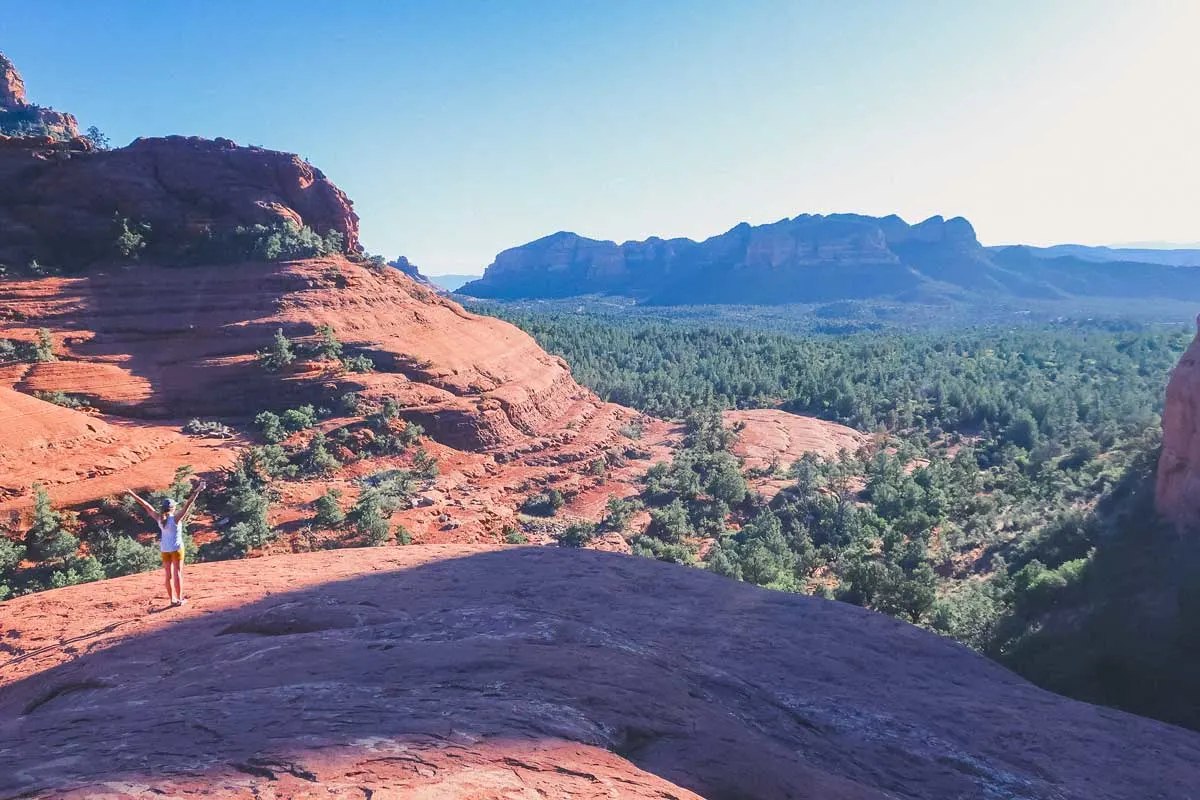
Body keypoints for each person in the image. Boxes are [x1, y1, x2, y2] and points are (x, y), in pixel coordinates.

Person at [126, 479, 206, 607]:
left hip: (165, 549)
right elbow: (188, 504)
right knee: (177, 573)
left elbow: (146, 505)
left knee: (168, 575)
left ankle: (172, 600)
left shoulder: (159, 518)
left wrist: (131, 494)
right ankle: (179, 600)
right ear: (173, 508)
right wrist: (198, 490)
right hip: (176, 549)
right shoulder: (176, 518)